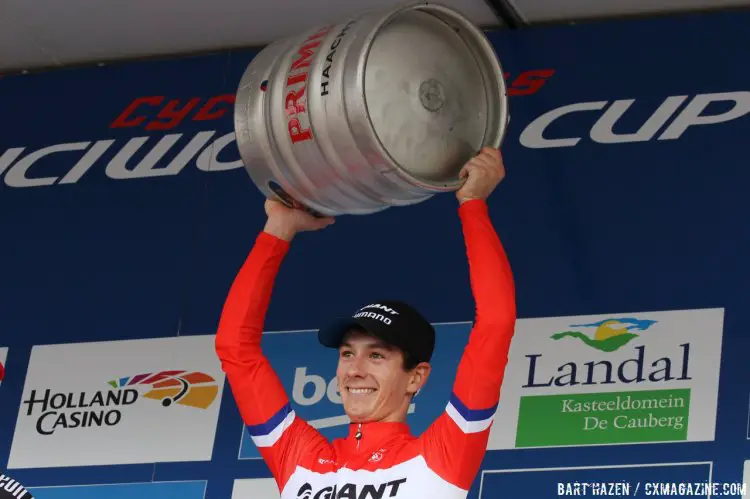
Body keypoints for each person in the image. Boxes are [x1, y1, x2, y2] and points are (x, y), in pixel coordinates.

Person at [215, 147, 516, 498]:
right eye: (347, 353)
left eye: (376, 356)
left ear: (415, 377)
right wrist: (278, 230)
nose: (354, 370)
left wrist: (473, 204)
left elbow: (495, 323)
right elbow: (235, 348)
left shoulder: (440, 456)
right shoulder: (299, 456)